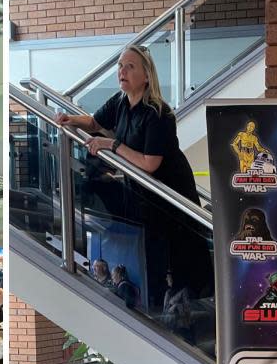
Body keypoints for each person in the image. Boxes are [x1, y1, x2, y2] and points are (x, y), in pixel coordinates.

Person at [55, 46, 202, 309]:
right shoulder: (121, 102)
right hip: (146, 198)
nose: (122, 71)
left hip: (171, 195)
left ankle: (176, 310)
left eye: (130, 66)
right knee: (152, 255)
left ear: (146, 75)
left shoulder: (159, 113)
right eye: (120, 66)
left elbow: (149, 163)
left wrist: (111, 146)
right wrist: (70, 120)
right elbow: (94, 122)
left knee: (178, 261)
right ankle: (161, 304)